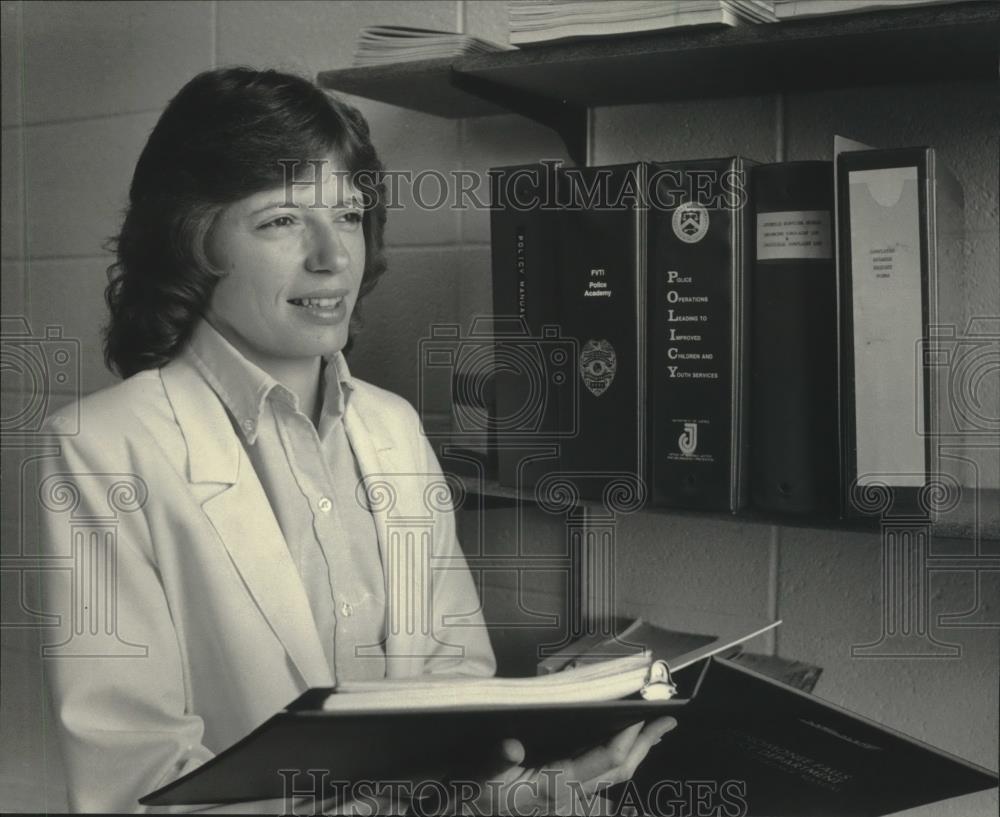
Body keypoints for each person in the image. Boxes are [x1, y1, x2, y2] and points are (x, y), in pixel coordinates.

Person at [38, 67, 674, 814]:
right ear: (189, 238)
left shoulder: (393, 425)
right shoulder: (101, 445)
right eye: (280, 220)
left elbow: (453, 686)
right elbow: (135, 780)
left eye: (346, 214)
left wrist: (512, 795)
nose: (333, 256)